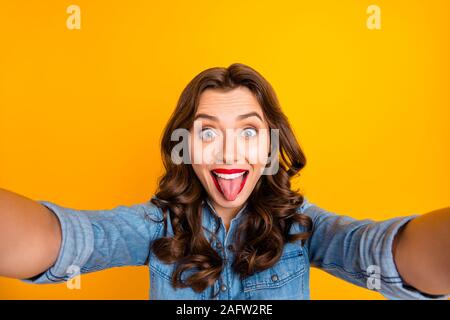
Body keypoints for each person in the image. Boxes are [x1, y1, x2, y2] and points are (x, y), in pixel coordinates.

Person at [0, 63, 449, 300]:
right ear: (186, 145)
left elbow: (379, 251)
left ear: (271, 146)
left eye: (249, 132)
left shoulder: (304, 228)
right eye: (208, 132)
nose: (230, 152)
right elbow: (68, 241)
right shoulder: (157, 226)